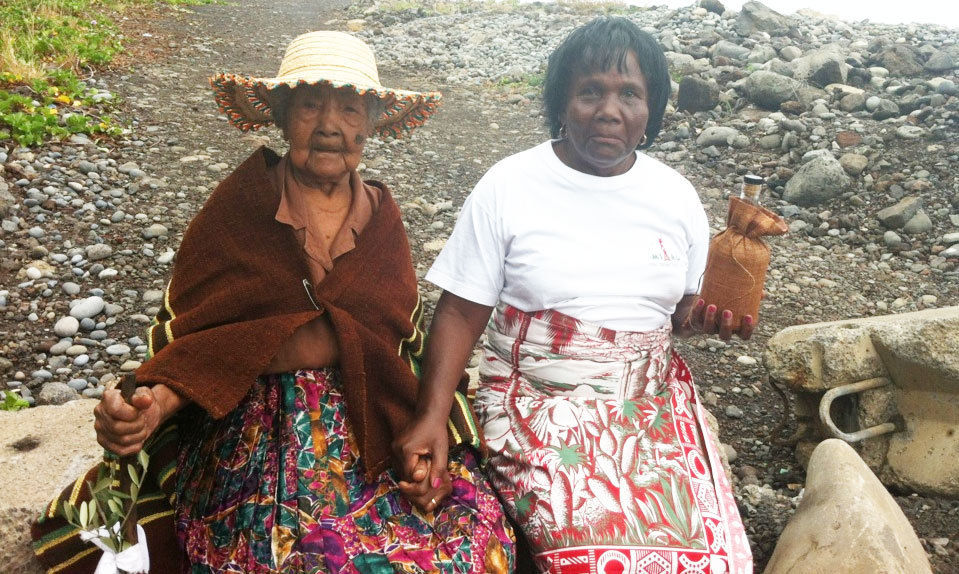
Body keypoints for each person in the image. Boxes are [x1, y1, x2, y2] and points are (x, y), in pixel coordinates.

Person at [84, 31, 514, 573]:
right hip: (254, 423)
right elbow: (204, 338)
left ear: (373, 120)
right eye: (310, 105)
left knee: (469, 539)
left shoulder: (382, 216)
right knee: (298, 558)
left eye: (351, 108)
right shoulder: (241, 204)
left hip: (368, 411)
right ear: (283, 116)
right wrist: (150, 410)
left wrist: (427, 442)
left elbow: (398, 341)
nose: (330, 125)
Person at [394, 17, 754, 574]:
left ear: (651, 112)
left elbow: (675, 315)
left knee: (710, 558)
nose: (609, 110)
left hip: (647, 403)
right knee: (588, 552)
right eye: (591, 91)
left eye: (629, 94)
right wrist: (432, 416)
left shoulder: (676, 197)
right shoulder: (510, 186)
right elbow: (462, 311)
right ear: (562, 102)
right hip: (536, 401)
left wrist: (708, 318)